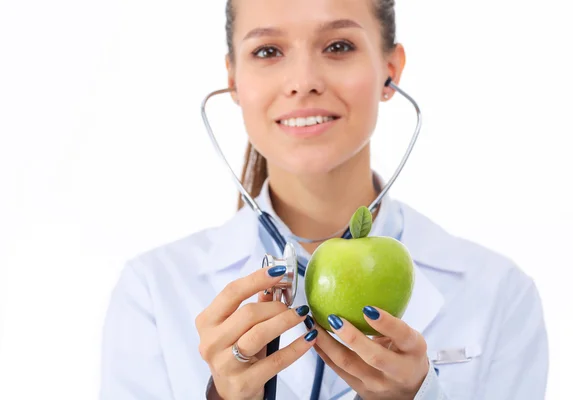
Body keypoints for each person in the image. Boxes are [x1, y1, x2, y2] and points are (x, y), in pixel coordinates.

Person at [99, 0, 549, 399]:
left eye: (338, 46)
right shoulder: (153, 292)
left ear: (391, 70)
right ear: (233, 80)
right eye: (267, 51)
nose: (303, 81)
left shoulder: (499, 294)